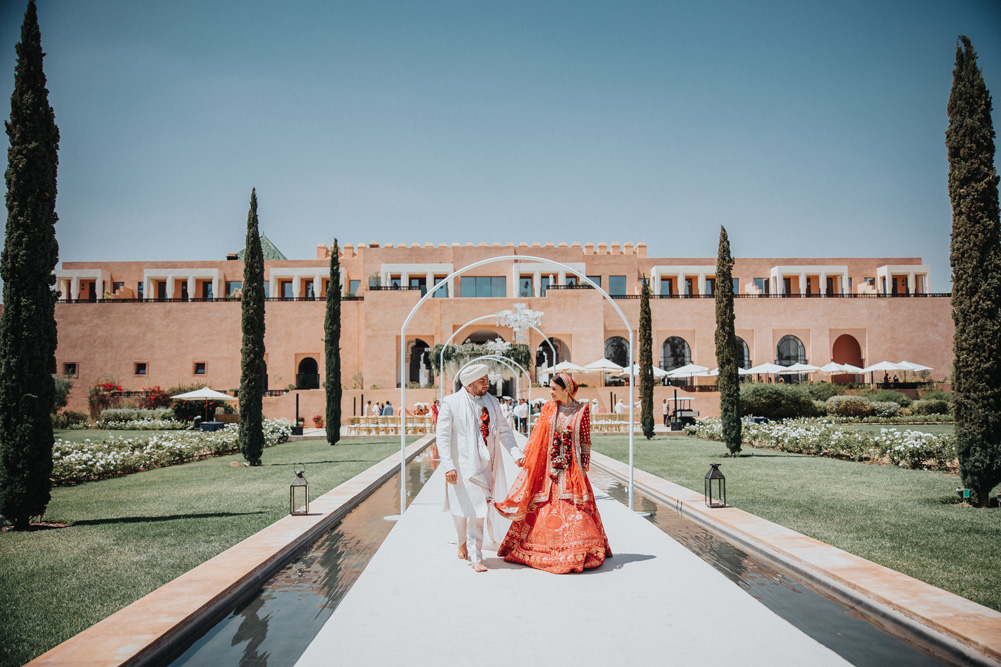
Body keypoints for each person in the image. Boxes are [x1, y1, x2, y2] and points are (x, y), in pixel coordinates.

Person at [495, 373, 611, 574]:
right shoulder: (549, 408)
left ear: (566, 390)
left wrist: (582, 470)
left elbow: (585, 442)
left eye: (554, 389)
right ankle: (544, 548)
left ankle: (578, 549)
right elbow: (538, 436)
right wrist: (530, 459)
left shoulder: (582, 410)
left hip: (572, 471)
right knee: (544, 509)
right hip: (548, 471)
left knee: (578, 512)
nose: (550, 392)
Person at [436, 364, 525, 572]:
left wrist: (516, 454)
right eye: (482, 381)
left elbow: (504, 431)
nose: (487, 384)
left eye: (487, 380)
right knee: (460, 511)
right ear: (469, 383)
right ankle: (460, 541)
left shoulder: (492, 402)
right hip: (461, 465)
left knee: (479, 509)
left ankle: (476, 556)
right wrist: (448, 466)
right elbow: (442, 437)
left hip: (486, 465)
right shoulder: (451, 402)